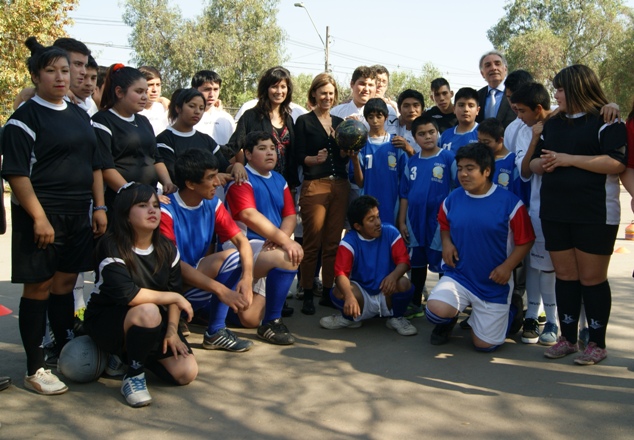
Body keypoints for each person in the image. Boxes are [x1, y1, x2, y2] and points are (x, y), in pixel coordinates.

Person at [1, 38, 107, 395]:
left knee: (64, 284)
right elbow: (16, 174)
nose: (62, 77)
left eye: (67, 69)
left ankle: (62, 349)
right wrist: (39, 219)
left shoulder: (79, 113)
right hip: (42, 215)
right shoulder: (24, 119)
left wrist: (99, 207)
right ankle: (35, 368)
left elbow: (94, 163)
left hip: (79, 213)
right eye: (52, 71)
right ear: (36, 76)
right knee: (40, 287)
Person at [530, 65, 627, 365]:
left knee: (592, 279)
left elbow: (616, 163)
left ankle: (597, 343)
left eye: (559, 89)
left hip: (595, 212)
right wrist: (543, 165)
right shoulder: (553, 123)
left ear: (577, 88)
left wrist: (567, 160)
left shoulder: (608, 120)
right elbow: (534, 164)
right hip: (555, 211)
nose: (555, 93)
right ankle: (568, 339)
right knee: (566, 276)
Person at [85, 183, 197, 407]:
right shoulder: (110, 246)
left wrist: (173, 331)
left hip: (150, 321)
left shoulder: (167, 249)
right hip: (109, 319)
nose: (153, 211)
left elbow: (174, 291)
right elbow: (130, 296)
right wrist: (174, 298)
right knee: (148, 311)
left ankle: (126, 356)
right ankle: (134, 375)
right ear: (126, 214)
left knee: (186, 372)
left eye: (155, 205)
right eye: (143, 205)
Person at [426, 143, 533, 350]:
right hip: (460, 276)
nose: (463, 174)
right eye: (460, 168)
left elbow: (526, 240)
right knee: (435, 309)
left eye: (470, 168)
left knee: (484, 345)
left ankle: (511, 310)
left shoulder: (510, 203)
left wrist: (507, 267)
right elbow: (444, 223)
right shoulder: (453, 198)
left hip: (494, 283)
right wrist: (446, 243)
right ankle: (453, 318)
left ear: (486, 171)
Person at [159, 149, 254, 352]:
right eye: (210, 178)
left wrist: (247, 278)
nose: (217, 182)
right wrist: (222, 291)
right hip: (168, 288)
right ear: (191, 184)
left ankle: (215, 331)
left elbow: (242, 242)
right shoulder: (166, 210)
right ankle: (189, 320)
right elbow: (174, 265)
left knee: (236, 257)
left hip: (194, 280)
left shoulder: (212, 204)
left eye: (216, 175)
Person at [224, 131, 303, 345]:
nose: (270, 152)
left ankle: (222, 307)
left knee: (249, 320)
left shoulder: (279, 179)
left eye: (272, 148)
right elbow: (248, 215)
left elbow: (290, 215)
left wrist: (280, 238)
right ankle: (272, 321)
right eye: (262, 148)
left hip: (269, 247)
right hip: (243, 247)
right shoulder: (242, 177)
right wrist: (285, 242)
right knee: (290, 255)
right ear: (248, 154)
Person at [319, 195, 417, 336]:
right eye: (371, 220)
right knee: (339, 292)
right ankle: (350, 319)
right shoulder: (348, 242)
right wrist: (349, 297)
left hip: (386, 291)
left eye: (377, 216)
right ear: (358, 226)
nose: (378, 222)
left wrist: (393, 276)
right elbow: (340, 274)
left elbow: (404, 262)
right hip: (362, 294)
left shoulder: (390, 232)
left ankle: (396, 317)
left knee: (403, 282)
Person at [294, 73, 349, 315]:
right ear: (314, 94)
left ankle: (328, 291)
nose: (327, 97)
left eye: (331, 93)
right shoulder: (304, 121)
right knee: (312, 241)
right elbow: (297, 155)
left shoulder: (340, 122)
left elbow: (345, 156)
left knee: (333, 242)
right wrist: (313, 160)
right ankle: (307, 291)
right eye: (323, 92)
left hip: (340, 185)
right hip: (315, 184)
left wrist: (348, 148)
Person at [510, 82, 558, 345]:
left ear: (538, 108)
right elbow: (526, 171)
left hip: (570, 208)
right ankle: (533, 315)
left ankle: (555, 320)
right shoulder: (524, 131)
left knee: (560, 269)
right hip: (537, 208)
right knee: (537, 264)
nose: (518, 116)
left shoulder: (563, 122)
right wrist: (536, 138)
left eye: (521, 111)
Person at [93, 64, 176, 211]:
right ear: (119, 92)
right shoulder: (102, 121)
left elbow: (156, 158)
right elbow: (105, 168)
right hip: (120, 202)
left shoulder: (143, 121)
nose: (145, 96)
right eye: (138, 92)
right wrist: (137, 195)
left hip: (149, 200)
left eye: (145, 91)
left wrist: (167, 182)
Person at [398, 115, 456, 318]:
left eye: (431, 132)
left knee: (443, 264)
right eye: (421, 134)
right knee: (417, 264)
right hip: (414, 221)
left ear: (438, 133)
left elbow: (458, 187)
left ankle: (444, 305)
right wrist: (402, 220)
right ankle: (416, 303)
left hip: (439, 222)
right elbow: (404, 193)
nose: (428, 137)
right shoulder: (412, 161)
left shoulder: (448, 157)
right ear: (414, 138)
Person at [225, 66, 299, 189]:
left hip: (285, 185)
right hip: (257, 184)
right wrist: (236, 165)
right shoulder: (251, 116)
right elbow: (234, 146)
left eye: (283, 87)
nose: (279, 91)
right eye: (274, 86)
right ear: (266, 89)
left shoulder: (288, 119)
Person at [156, 88, 246, 185]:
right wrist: (212, 178)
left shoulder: (206, 139)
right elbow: (174, 175)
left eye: (201, 108)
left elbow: (224, 166)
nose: (197, 112)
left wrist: (236, 166)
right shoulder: (164, 140)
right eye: (192, 106)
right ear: (178, 108)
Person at [349, 98, 407, 226]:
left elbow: (404, 180)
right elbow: (360, 182)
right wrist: (354, 160)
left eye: (379, 116)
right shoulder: (361, 144)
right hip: (367, 203)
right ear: (366, 118)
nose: (375, 121)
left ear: (386, 117)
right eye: (370, 117)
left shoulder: (396, 143)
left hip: (391, 202)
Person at [12, 37, 91, 110]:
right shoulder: (33, 107)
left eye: (85, 66)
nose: (84, 72)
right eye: (78, 64)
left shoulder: (83, 105)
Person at [191, 70, 237, 146]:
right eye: (207, 89)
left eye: (216, 89)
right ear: (194, 89)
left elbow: (235, 150)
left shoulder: (227, 118)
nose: (212, 94)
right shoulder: (184, 117)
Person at [477, 117, 520, 196]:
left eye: (486, 142)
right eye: (479, 141)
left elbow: (520, 192)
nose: (482, 145)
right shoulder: (477, 158)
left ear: (500, 140)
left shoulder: (513, 161)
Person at [476, 50, 515, 128]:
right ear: (482, 73)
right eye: (488, 65)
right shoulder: (477, 96)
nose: (493, 68)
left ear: (505, 69)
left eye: (497, 64)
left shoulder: (516, 93)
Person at [439, 87, 480, 152]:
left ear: (477, 110)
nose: (466, 109)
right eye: (461, 105)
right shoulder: (445, 135)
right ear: (454, 109)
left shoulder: (484, 133)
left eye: (471, 106)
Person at [392, 89, 426, 156]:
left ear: (422, 109)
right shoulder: (394, 127)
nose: (411, 110)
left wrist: (409, 149)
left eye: (416, 105)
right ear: (399, 109)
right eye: (406, 106)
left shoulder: (430, 132)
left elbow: (429, 161)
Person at [138, 66, 169, 135]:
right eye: (150, 85)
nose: (155, 90)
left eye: (158, 85)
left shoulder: (164, 109)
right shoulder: (132, 112)